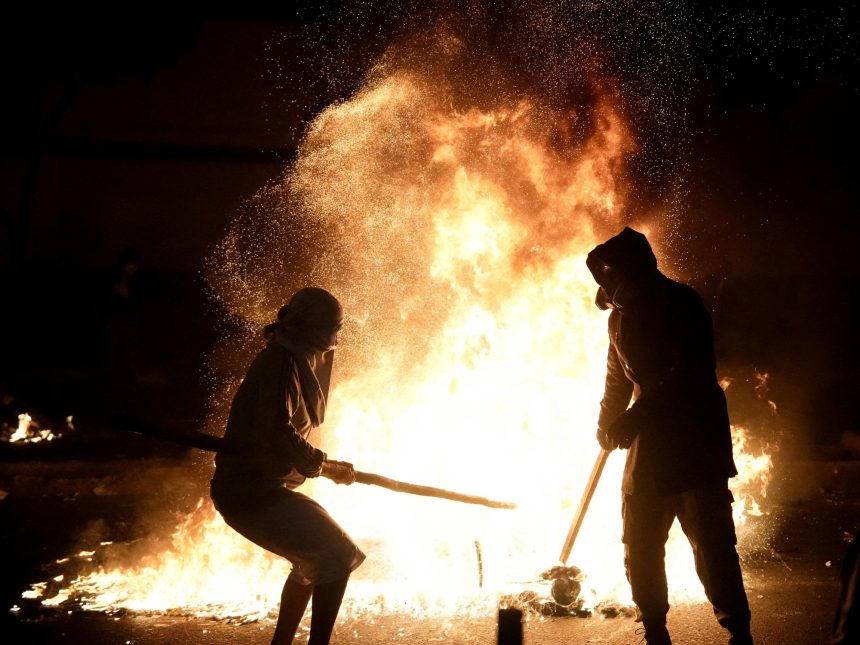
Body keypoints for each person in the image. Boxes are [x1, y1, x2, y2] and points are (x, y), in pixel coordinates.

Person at [585, 227, 753, 645]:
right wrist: (607, 422)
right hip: (648, 449)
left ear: (635, 271)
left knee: (712, 549)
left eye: (612, 275)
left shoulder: (682, 304)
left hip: (693, 444)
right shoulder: (619, 318)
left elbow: (687, 375)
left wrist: (633, 418)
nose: (608, 287)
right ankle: (655, 629)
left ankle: (738, 631)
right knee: (639, 542)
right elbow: (616, 378)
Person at [210, 287, 366, 645]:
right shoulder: (280, 361)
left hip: (267, 489)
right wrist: (322, 464)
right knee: (339, 555)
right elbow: (277, 431)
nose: (335, 338)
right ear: (313, 328)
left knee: (314, 562)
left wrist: (324, 465)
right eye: (332, 328)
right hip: (248, 493)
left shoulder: (296, 359)